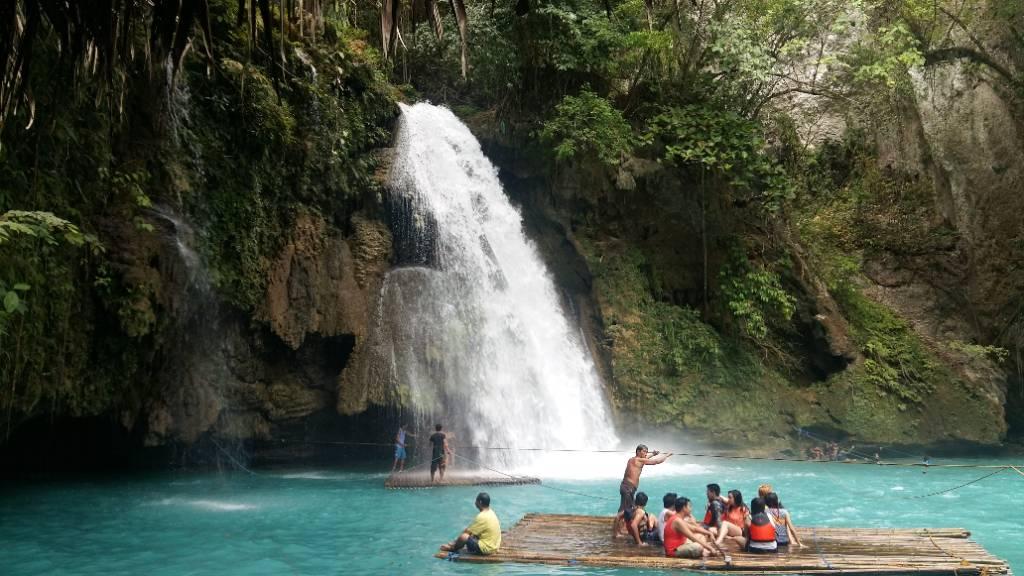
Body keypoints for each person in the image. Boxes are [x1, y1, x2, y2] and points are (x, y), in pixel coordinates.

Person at [613, 444, 671, 537]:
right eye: (644, 451)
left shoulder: (633, 459)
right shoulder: (639, 460)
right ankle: (616, 533)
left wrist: (653, 454)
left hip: (626, 487)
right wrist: (667, 455)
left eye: (647, 452)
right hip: (628, 488)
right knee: (623, 511)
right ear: (638, 451)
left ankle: (622, 529)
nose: (646, 453)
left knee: (627, 508)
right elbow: (656, 462)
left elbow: (645, 459)